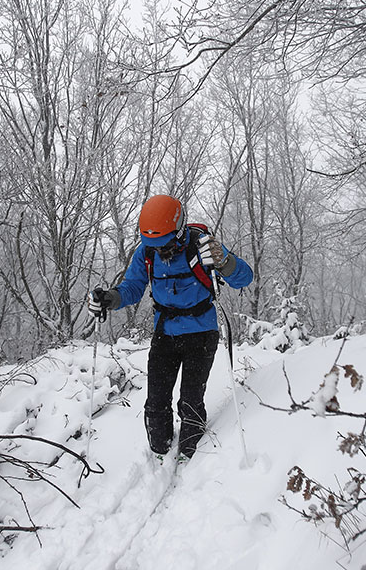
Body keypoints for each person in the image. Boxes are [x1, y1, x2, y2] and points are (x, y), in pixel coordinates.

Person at [88, 194, 253, 459]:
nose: (161, 251)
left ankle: (191, 454)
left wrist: (224, 262)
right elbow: (132, 287)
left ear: (179, 231)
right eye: (155, 246)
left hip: (201, 333)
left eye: (165, 245)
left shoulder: (203, 247)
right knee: (155, 402)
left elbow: (245, 277)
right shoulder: (147, 252)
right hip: (165, 333)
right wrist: (110, 298)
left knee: (190, 400)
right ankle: (159, 451)